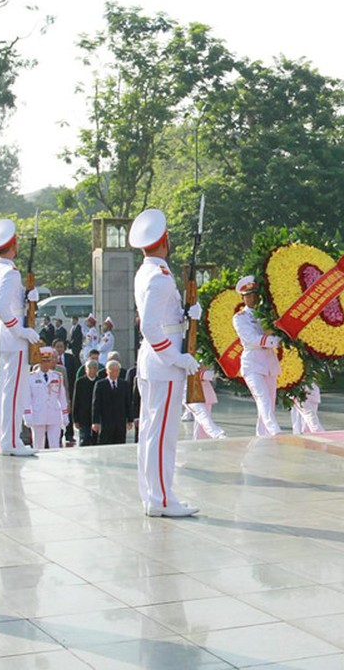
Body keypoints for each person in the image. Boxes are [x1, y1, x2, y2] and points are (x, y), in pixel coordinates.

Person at [130, 208, 202, 517]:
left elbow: (162, 317)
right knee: (162, 435)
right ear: (165, 240)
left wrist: (187, 315)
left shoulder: (148, 271)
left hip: (153, 360)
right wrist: (178, 358)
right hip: (164, 361)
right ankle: (161, 499)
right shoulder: (159, 278)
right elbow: (148, 325)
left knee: (151, 431)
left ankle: (153, 495)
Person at [0, 218, 40, 457]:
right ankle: (12, 441)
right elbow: (2, 307)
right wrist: (22, 331)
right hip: (12, 336)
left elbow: (10, 302)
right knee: (13, 392)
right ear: (14, 244)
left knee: (5, 391)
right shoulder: (9, 272)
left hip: (4, 336)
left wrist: (27, 295)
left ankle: (7, 439)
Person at [231, 276, 283, 437]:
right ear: (243, 297)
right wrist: (276, 340)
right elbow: (251, 339)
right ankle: (275, 431)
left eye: (254, 294)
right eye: (248, 295)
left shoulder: (267, 314)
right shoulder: (240, 318)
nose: (252, 298)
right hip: (252, 363)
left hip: (268, 362)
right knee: (263, 399)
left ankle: (262, 436)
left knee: (269, 401)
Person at [26, 346, 68, 449]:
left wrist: (65, 413)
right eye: (43, 361)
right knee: (38, 445)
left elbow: (62, 396)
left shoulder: (57, 376)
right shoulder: (31, 377)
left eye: (47, 361)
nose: (45, 364)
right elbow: (27, 398)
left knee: (55, 445)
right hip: (38, 414)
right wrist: (27, 414)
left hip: (53, 414)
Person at [92, 359, 133, 445]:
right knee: (105, 444)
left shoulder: (124, 384)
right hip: (106, 421)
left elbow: (128, 402)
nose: (115, 373)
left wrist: (130, 419)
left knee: (120, 444)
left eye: (117, 371)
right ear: (107, 371)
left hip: (120, 421)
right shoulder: (100, 384)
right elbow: (96, 404)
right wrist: (95, 422)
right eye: (112, 370)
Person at [189, 366, 227, 439]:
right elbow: (201, 374)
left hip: (205, 395)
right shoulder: (192, 364)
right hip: (195, 394)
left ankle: (200, 439)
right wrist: (218, 374)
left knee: (202, 419)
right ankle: (215, 434)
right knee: (202, 417)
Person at [55, 339, 80, 445]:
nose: (60, 349)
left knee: (68, 412)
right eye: (57, 347)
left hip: (68, 388)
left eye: (61, 346)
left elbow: (75, 372)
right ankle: (58, 434)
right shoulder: (51, 359)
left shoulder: (70, 358)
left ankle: (69, 434)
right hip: (55, 390)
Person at [74, 359, 101, 446]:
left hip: (97, 417)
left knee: (95, 440)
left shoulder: (100, 382)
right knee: (84, 439)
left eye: (94, 368)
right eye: (90, 368)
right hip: (83, 416)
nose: (92, 370)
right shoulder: (80, 382)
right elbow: (76, 400)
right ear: (86, 369)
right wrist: (75, 419)